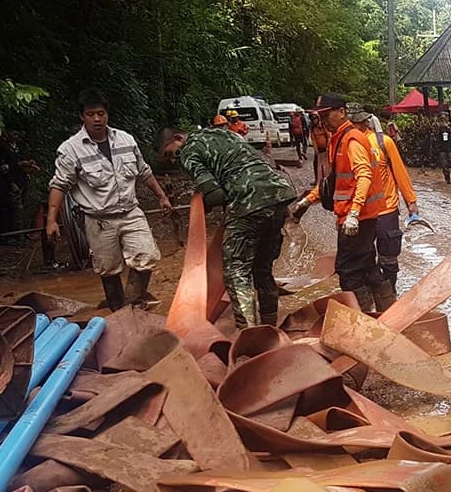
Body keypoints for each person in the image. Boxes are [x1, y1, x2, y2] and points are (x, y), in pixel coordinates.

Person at [157, 125, 297, 327]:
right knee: (262, 268)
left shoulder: (188, 150)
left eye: (170, 154)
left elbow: (216, 196)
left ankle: (249, 333)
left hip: (249, 202)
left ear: (178, 138)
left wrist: (203, 203)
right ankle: (270, 327)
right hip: (279, 198)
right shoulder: (224, 133)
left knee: (236, 271)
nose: (173, 160)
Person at [46, 89, 170, 310]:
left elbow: (144, 172)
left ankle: (131, 306)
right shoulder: (71, 149)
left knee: (147, 256)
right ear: (82, 116)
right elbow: (59, 185)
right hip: (99, 219)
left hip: (131, 212)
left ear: (107, 114)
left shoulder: (125, 140)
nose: (97, 119)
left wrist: (162, 197)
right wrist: (51, 220)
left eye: (101, 113)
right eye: (91, 114)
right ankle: (117, 310)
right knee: (108, 267)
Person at [290, 94, 394, 311]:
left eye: (327, 114)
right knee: (367, 266)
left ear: (341, 112)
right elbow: (334, 182)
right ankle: (387, 311)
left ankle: (361, 317)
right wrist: (307, 201)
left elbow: (363, 175)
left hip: (356, 219)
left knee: (347, 271)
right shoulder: (338, 139)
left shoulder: (351, 140)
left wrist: (353, 213)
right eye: (320, 116)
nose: (323, 120)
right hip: (360, 218)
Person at [346, 102, 419, 307]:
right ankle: (371, 301)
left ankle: (390, 297)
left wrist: (411, 201)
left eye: (355, 122)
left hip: (386, 208)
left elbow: (399, 172)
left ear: (363, 122)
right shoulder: (348, 144)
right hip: (362, 213)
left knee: (388, 258)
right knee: (364, 258)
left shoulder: (383, 142)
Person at [435, 113, 451, 184]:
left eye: (444, 118)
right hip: (442, 148)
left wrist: (447, 127)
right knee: (444, 164)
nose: (443, 119)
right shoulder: (439, 126)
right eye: (442, 118)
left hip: (450, 147)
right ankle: (447, 180)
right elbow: (436, 134)